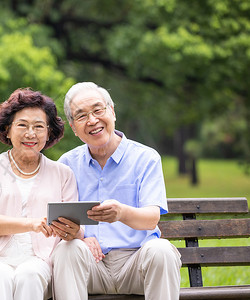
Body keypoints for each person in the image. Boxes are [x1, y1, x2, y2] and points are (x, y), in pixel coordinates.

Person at [50, 82, 182, 300]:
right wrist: (81, 236)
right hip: (90, 264)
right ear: (73, 127)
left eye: (98, 110)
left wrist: (122, 213)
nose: (92, 120)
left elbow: (151, 219)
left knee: (162, 250)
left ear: (112, 111)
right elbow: (60, 221)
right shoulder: (67, 164)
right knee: (67, 250)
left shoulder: (146, 158)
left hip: (136, 263)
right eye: (81, 116)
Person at [0, 88, 79, 300]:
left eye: (39, 127)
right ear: (8, 129)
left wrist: (73, 230)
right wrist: (31, 224)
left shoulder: (63, 173)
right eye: (22, 125)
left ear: (49, 133)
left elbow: (72, 223)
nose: (31, 134)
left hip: (40, 261)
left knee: (29, 274)